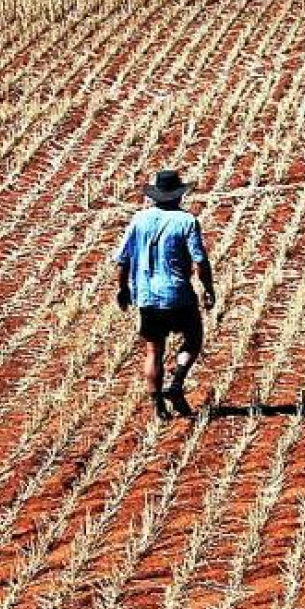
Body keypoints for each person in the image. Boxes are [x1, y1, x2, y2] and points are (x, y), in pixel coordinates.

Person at [114, 169, 216, 420]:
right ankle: (177, 383)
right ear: (179, 196)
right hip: (178, 294)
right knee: (193, 338)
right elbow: (200, 261)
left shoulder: (138, 220)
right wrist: (209, 288)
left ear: (155, 196)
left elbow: (122, 260)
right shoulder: (187, 222)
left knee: (154, 351)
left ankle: (158, 406)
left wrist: (123, 289)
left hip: (146, 296)